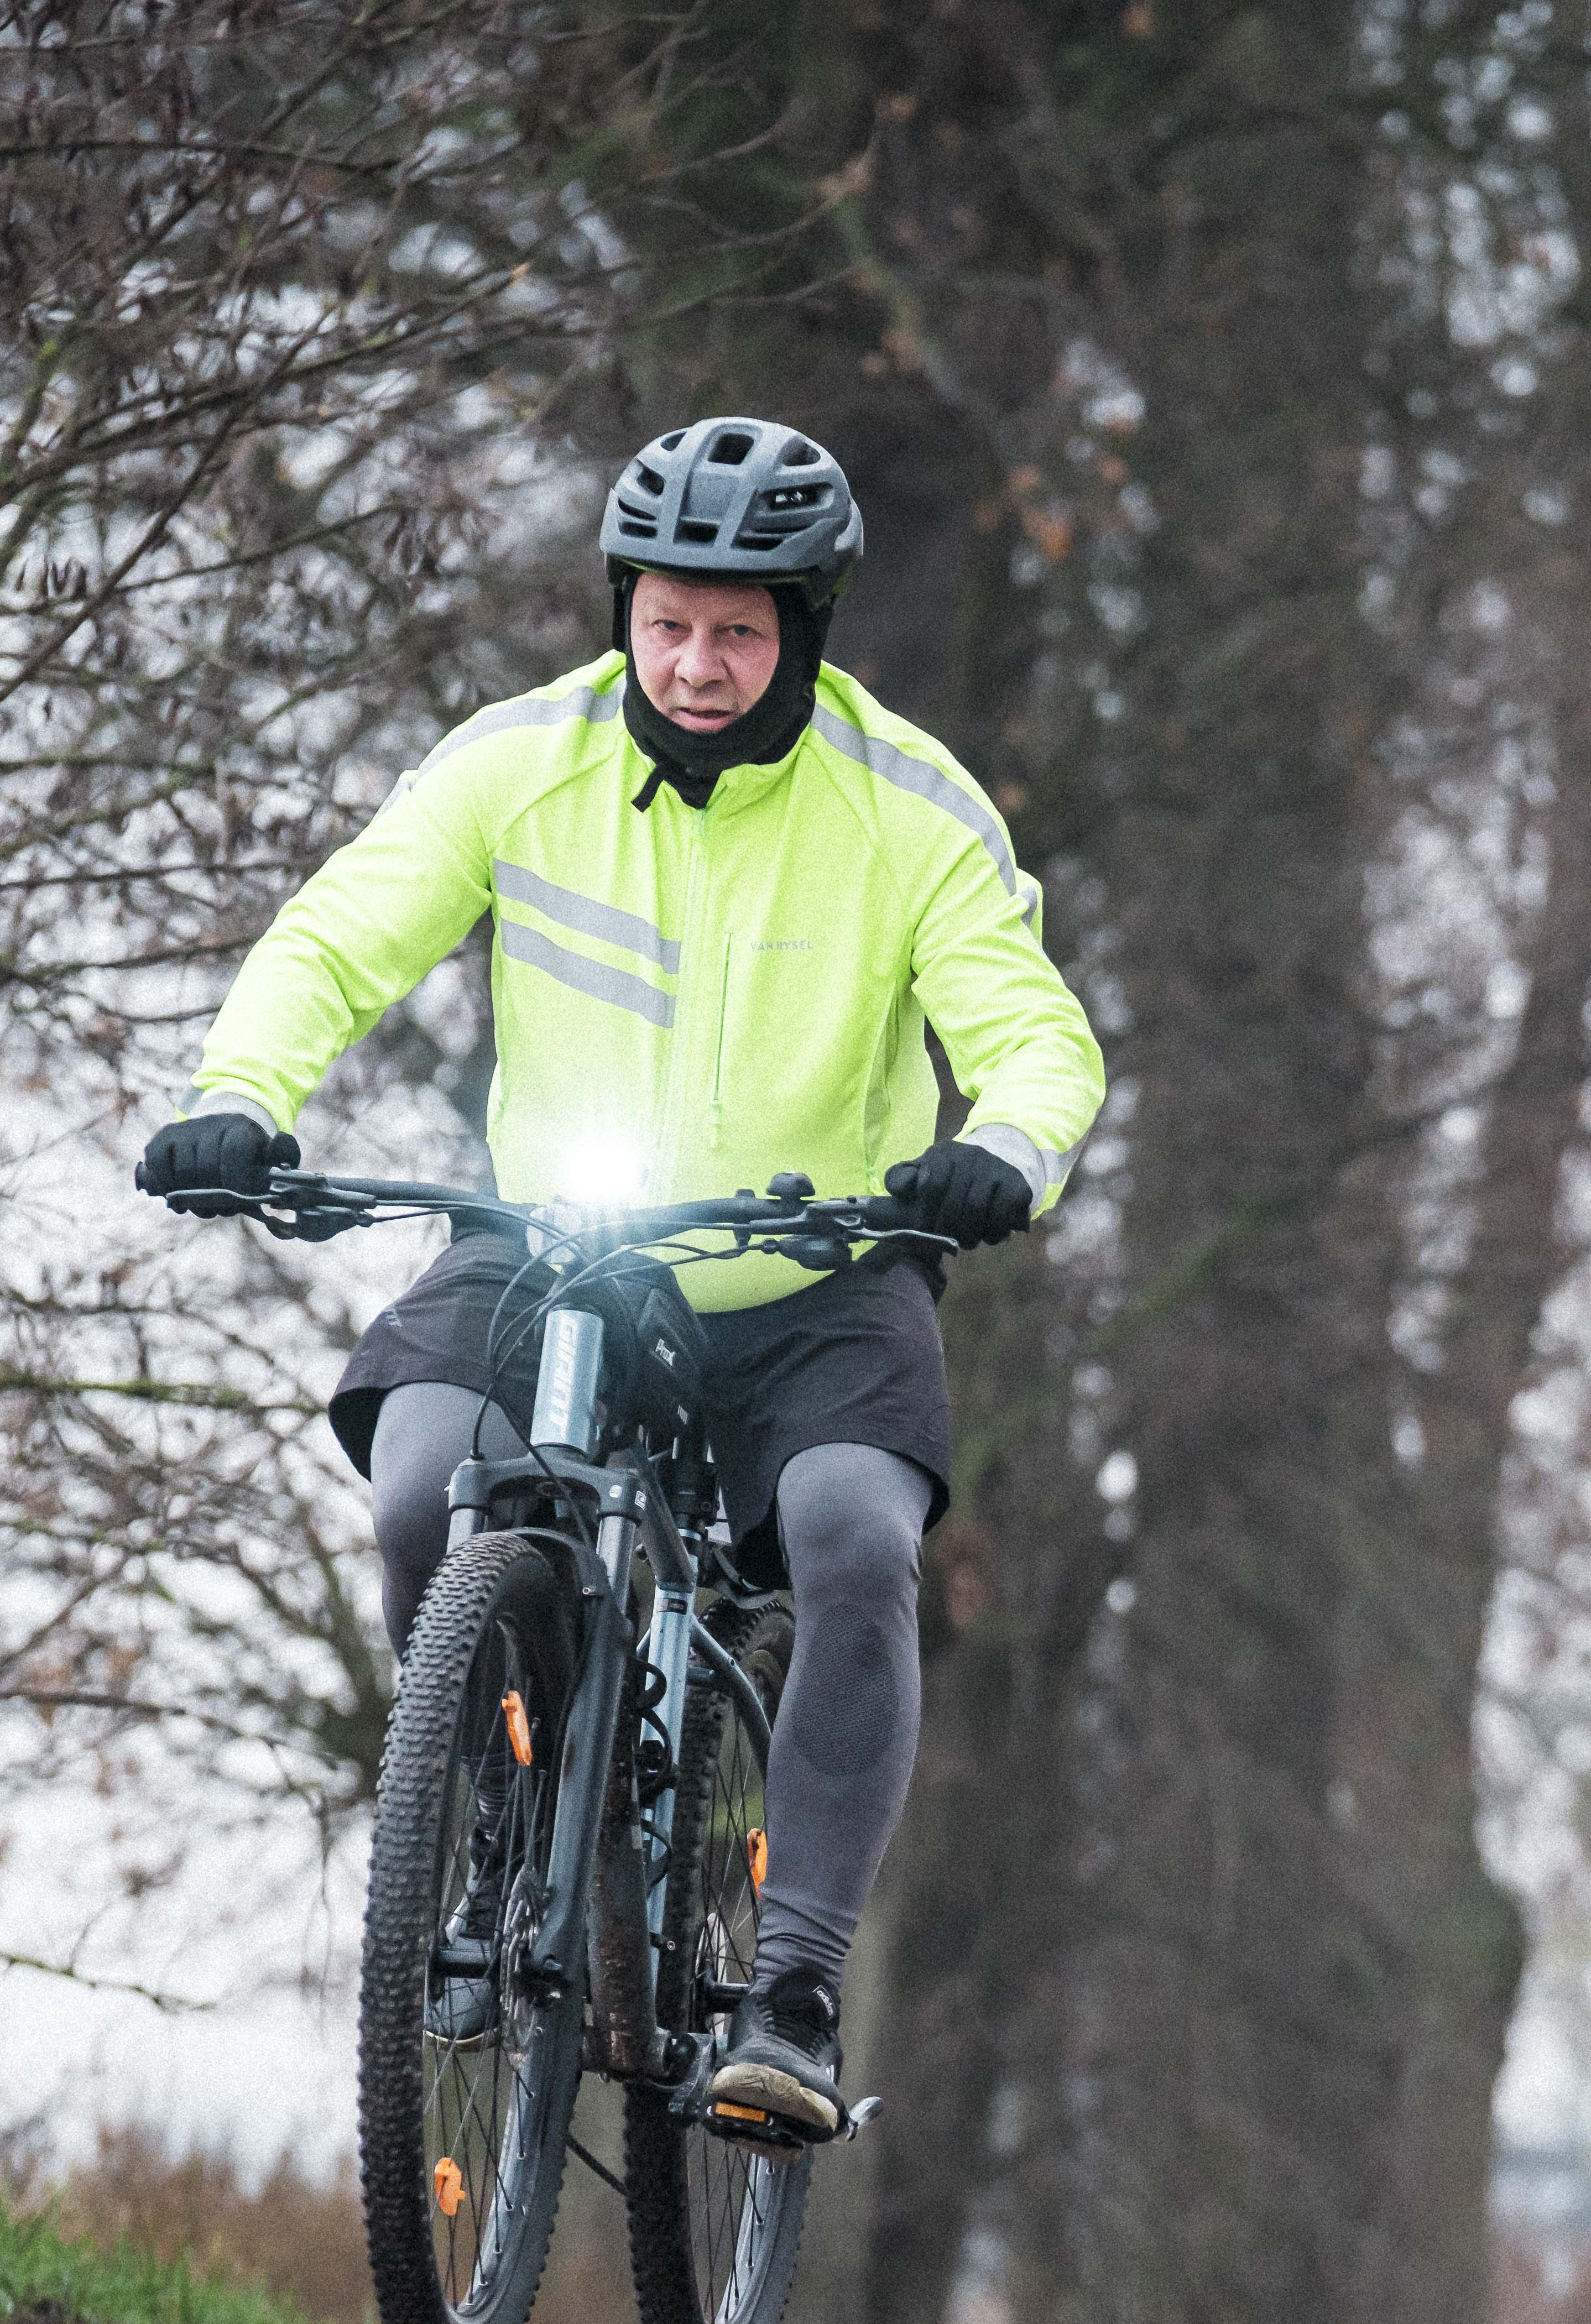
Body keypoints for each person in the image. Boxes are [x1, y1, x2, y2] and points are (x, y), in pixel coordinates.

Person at [136, 416, 1104, 2139]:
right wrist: (241, 1095)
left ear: (805, 627)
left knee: (854, 1542)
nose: (696, 665)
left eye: (737, 631)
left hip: (818, 1268)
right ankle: (500, 1824)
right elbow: (341, 934)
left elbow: (1037, 1036)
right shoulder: (520, 761)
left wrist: (1003, 1153)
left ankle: (792, 1991)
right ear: (622, 612)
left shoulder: (910, 807)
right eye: (666, 623)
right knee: (422, 1482)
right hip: (557, 1243)